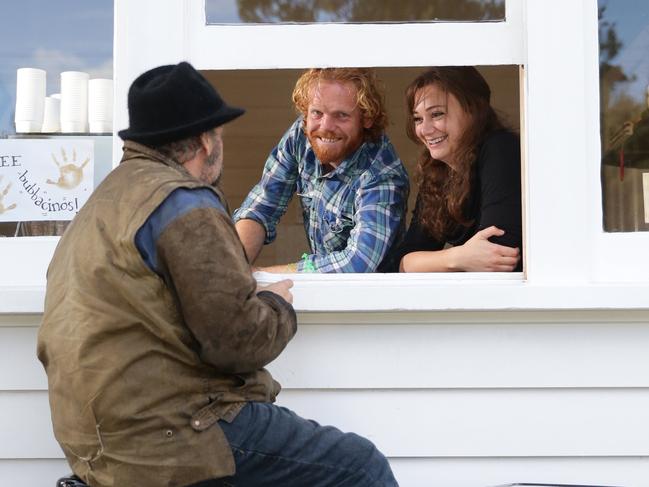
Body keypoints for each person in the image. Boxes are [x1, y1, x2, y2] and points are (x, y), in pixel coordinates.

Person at [37, 62, 398, 487]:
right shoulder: (184, 205)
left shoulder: (104, 199)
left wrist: (238, 267)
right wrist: (277, 303)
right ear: (206, 141)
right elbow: (238, 340)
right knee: (361, 466)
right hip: (171, 432)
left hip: (90, 437)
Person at [233, 67, 409, 273]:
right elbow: (260, 207)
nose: (325, 126)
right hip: (319, 287)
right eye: (317, 112)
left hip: (373, 299)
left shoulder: (382, 175)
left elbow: (356, 263)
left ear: (367, 118)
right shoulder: (301, 135)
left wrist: (262, 275)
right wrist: (234, 269)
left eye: (341, 115)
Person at [394, 66, 522, 272]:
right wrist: (456, 257)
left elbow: (498, 256)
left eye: (436, 114)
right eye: (418, 118)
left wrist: (432, 262)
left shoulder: (501, 149)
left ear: (473, 109)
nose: (424, 130)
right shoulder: (437, 171)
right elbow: (402, 262)